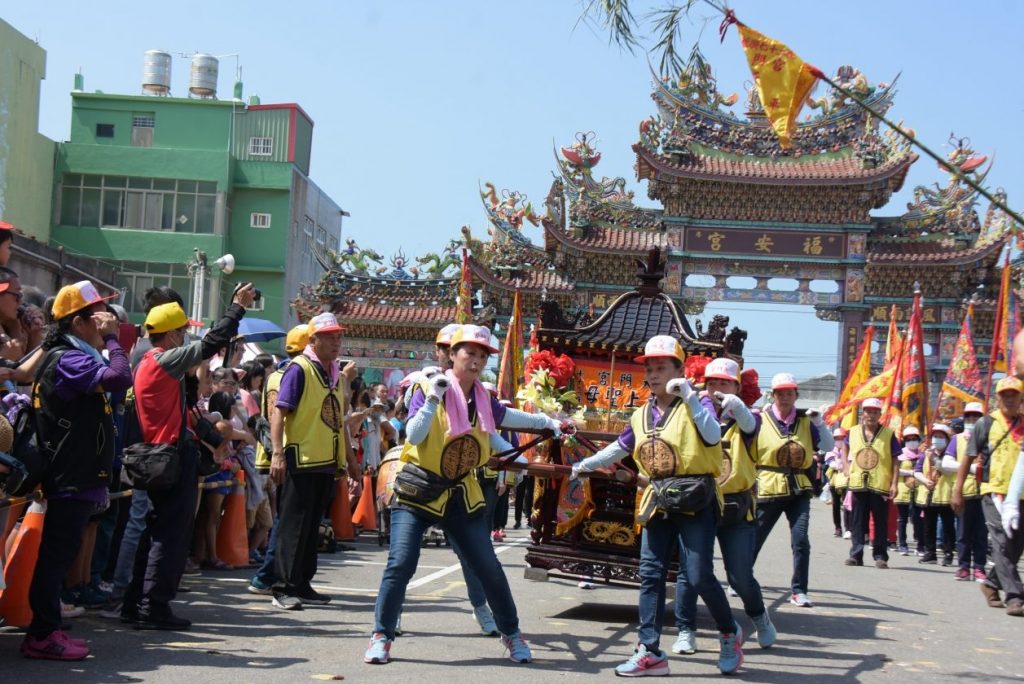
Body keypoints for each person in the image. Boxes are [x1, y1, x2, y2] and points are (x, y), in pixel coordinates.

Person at [365, 324, 560, 665]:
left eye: (482, 355)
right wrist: (434, 398)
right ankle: (382, 634)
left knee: (488, 567)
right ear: (452, 355)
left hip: (460, 494)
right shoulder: (426, 386)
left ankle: (512, 635)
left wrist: (547, 422)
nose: (476, 360)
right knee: (400, 563)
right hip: (418, 490)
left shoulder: (484, 397)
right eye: (469, 352)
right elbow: (413, 434)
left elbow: (507, 420)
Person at [571, 337, 743, 677]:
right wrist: (584, 464)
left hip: (696, 498)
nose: (652, 374)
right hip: (658, 498)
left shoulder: (700, 403)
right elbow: (618, 450)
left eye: (661, 367)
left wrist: (691, 396)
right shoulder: (641, 415)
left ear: (680, 370)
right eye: (648, 368)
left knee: (698, 575)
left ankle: (728, 632)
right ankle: (649, 649)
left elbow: (711, 437)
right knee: (650, 574)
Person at [122, 285, 255, 630]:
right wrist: (236, 309)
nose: (185, 338)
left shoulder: (145, 362)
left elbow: (187, 414)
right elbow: (210, 344)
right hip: (170, 455)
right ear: (171, 333)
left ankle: (135, 603)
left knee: (154, 532)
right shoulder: (164, 360)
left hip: (157, 454)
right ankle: (155, 606)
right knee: (171, 534)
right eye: (182, 331)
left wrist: (211, 438)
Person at [22, 281, 131, 660]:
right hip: (68, 472)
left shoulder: (78, 355)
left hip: (78, 471)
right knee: (55, 557)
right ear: (78, 322)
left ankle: (47, 628)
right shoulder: (69, 358)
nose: (105, 321)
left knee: (60, 555)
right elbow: (119, 379)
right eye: (97, 315)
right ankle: (41, 634)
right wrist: (114, 340)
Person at [675, 357, 776, 656]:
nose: (717, 388)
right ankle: (685, 630)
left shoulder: (751, 418)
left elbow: (748, 424)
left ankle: (759, 616)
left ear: (736, 386)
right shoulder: (693, 414)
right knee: (690, 572)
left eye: (724, 382)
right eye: (712, 382)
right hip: (699, 504)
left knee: (740, 576)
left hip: (735, 507)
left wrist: (737, 406)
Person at [268, 313, 360, 609]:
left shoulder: (332, 372)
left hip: (324, 461)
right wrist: (277, 453)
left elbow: (338, 420)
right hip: (302, 457)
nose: (337, 341)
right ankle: (282, 587)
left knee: (312, 527)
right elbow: (279, 412)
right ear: (313, 340)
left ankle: (302, 582)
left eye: (339, 336)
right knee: (293, 525)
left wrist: (349, 459)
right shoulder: (300, 368)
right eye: (330, 337)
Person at [751, 372, 833, 606]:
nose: (785, 397)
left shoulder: (807, 421)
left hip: (799, 488)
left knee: (801, 540)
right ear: (773, 395)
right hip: (768, 485)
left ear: (796, 395)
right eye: (781, 393)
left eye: (790, 393)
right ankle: (743, 579)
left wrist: (819, 422)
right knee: (756, 536)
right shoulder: (760, 418)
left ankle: (799, 590)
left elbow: (826, 446)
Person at [953, 376, 1024, 615]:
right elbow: (968, 458)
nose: (1010, 399)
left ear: (1021, 398)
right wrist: (958, 490)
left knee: (1016, 545)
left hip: (1020, 494)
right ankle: (1015, 596)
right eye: (1005, 395)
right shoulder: (986, 424)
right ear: (997, 398)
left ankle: (992, 583)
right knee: (1003, 543)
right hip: (993, 491)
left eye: (1014, 395)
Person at [249, 324, 310, 597]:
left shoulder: (278, 374)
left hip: (280, 454)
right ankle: (266, 577)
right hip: (286, 455)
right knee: (286, 520)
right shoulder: (293, 374)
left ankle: (273, 575)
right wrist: (278, 454)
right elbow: (279, 418)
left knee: (285, 519)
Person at [844, 398, 900, 569]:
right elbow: (844, 448)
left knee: (880, 521)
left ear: (880, 415)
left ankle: (880, 555)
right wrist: (846, 466)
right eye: (868, 412)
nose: (871, 415)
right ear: (863, 413)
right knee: (857, 521)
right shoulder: (852, 432)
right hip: (858, 482)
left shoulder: (889, 434)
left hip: (880, 483)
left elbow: (896, 459)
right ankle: (856, 554)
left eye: (875, 412)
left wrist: (895, 483)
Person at [949, 402, 987, 581]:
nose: (972, 420)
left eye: (976, 417)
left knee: (981, 533)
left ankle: (979, 567)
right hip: (964, 491)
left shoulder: (989, 437)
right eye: (969, 417)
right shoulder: (957, 439)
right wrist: (970, 468)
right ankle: (963, 566)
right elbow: (946, 463)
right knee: (963, 532)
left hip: (986, 491)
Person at [914, 423, 956, 566]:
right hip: (929, 494)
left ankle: (949, 553)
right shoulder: (925, 453)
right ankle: (930, 553)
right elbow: (917, 470)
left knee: (948, 525)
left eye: (940, 437)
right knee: (928, 525)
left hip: (945, 494)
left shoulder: (951, 454)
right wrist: (925, 480)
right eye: (935, 436)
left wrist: (934, 459)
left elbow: (948, 470)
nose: (937, 439)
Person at [894, 426, 924, 556]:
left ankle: (920, 545)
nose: (912, 441)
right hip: (903, 490)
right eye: (909, 439)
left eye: (915, 439)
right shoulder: (900, 454)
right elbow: (895, 470)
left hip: (919, 491)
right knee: (902, 519)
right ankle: (903, 544)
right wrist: (910, 472)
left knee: (918, 519)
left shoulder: (922, 454)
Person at [824, 427, 850, 538]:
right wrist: (839, 464)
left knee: (847, 504)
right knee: (835, 505)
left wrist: (842, 464)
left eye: (842, 438)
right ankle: (838, 528)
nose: (839, 440)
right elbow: (831, 463)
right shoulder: (831, 449)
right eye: (837, 438)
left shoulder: (849, 449)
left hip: (846, 479)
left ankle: (848, 528)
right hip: (834, 479)